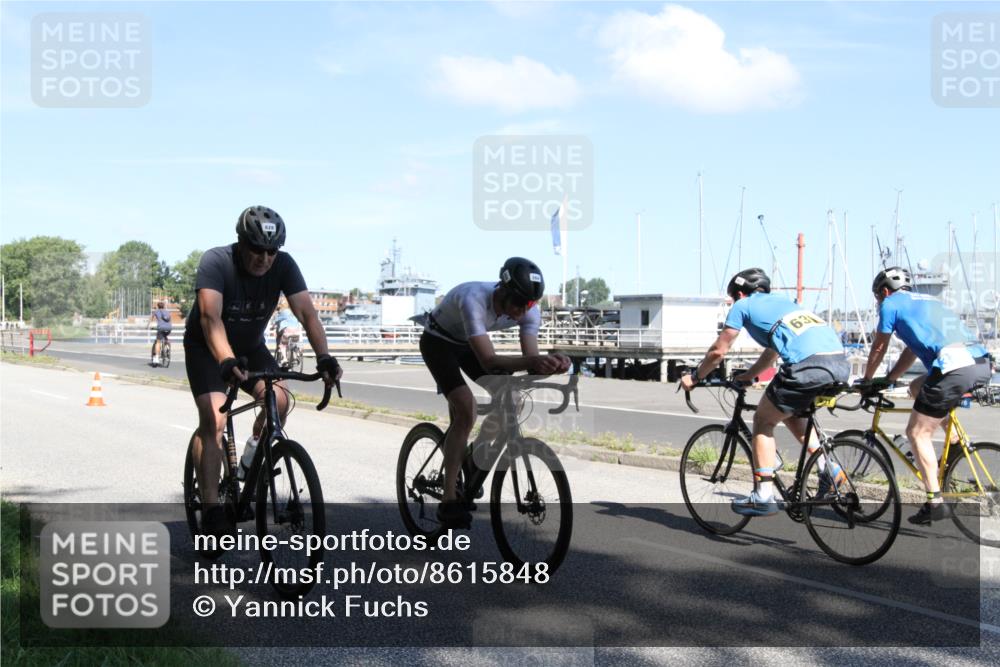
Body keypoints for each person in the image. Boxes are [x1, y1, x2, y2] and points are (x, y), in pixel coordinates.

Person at [184, 206, 342, 536]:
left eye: (272, 251)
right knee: (214, 419)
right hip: (207, 348)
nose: (265, 258)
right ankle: (212, 509)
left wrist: (325, 357)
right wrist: (225, 361)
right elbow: (210, 319)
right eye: (257, 249)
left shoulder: (284, 265)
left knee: (281, 401)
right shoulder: (216, 262)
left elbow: (308, 315)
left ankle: (248, 462)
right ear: (241, 242)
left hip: (250, 347)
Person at [679, 268, 851, 516]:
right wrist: (748, 376)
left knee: (762, 420)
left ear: (739, 293)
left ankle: (763, 496)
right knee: (790, 413)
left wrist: (695, 377)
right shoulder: (786, 304)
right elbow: (772, 353)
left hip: (807, 367)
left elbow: (719, 350)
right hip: (839, 365)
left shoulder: (743, 304)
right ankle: (829, 468)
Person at [421, 257, 571, 527]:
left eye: (527, 306)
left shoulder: (528, 311)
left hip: (468, 345)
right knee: (466, 409)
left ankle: (474, 455)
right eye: (517, 304)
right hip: (438, 343)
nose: (520, 312)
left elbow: (531, 361)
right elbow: (489, 361)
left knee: (513, 399)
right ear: (502, 291)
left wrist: (555, 364)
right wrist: (534, 363)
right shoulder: (473, 299)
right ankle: (449, 499)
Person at [862, 266, 991, 525]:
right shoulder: (928, 300)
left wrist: (867, 380)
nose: (878, 303)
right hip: (980, 362)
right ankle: (953, 442)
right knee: (916, 388)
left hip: (953, 367)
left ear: (885, 291)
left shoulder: (890, 304)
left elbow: (879, 345)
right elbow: (910, 352)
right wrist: (889, 379)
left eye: (878, 297)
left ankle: (934, 502)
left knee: (917, 433)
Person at [149, 301, 172, 366]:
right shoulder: (167, 312)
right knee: (165, 336)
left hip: (161, 328)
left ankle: (156, 358)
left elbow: (151, 319)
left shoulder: (156, 311)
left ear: (158, 306)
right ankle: (167, 345)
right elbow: (170, 321)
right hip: (169, 328)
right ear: (164, 306)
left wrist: (148, 326)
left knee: (158, 342)